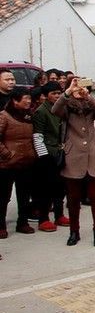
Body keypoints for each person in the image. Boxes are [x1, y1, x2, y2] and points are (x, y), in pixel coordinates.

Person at [52, 77, 95, 247]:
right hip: (73, 155)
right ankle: (74, 231)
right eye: (75, 88)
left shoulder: (90, 106)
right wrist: (68, 92)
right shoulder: (66, 107)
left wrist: (88, 96)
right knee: (73, 198)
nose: (78, 91)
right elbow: (55, 110)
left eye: (80, 87)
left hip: (92, 155)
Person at [0, 87, 37, 237]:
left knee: (24, 195)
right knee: (3, 196)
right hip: (7, 164)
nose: (28, 101)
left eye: (29, 98)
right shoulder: (4, 116)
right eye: (25, 99)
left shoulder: (29, 116)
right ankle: (1, 225)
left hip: (26, 162)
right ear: (15, 101)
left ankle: (23, 222)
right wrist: (7, 154)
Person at [31, 82, 68, 230]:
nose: (57, 96)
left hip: (61, 152)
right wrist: (44, 156)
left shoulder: (62, 109)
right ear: (46, 96)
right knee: (45, 189)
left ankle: (59, 215)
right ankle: (43, 218)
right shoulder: (41, 112)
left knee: (60, 187)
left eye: (59, 93)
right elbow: (37, 136)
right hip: (47, 154)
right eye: (54, 93)